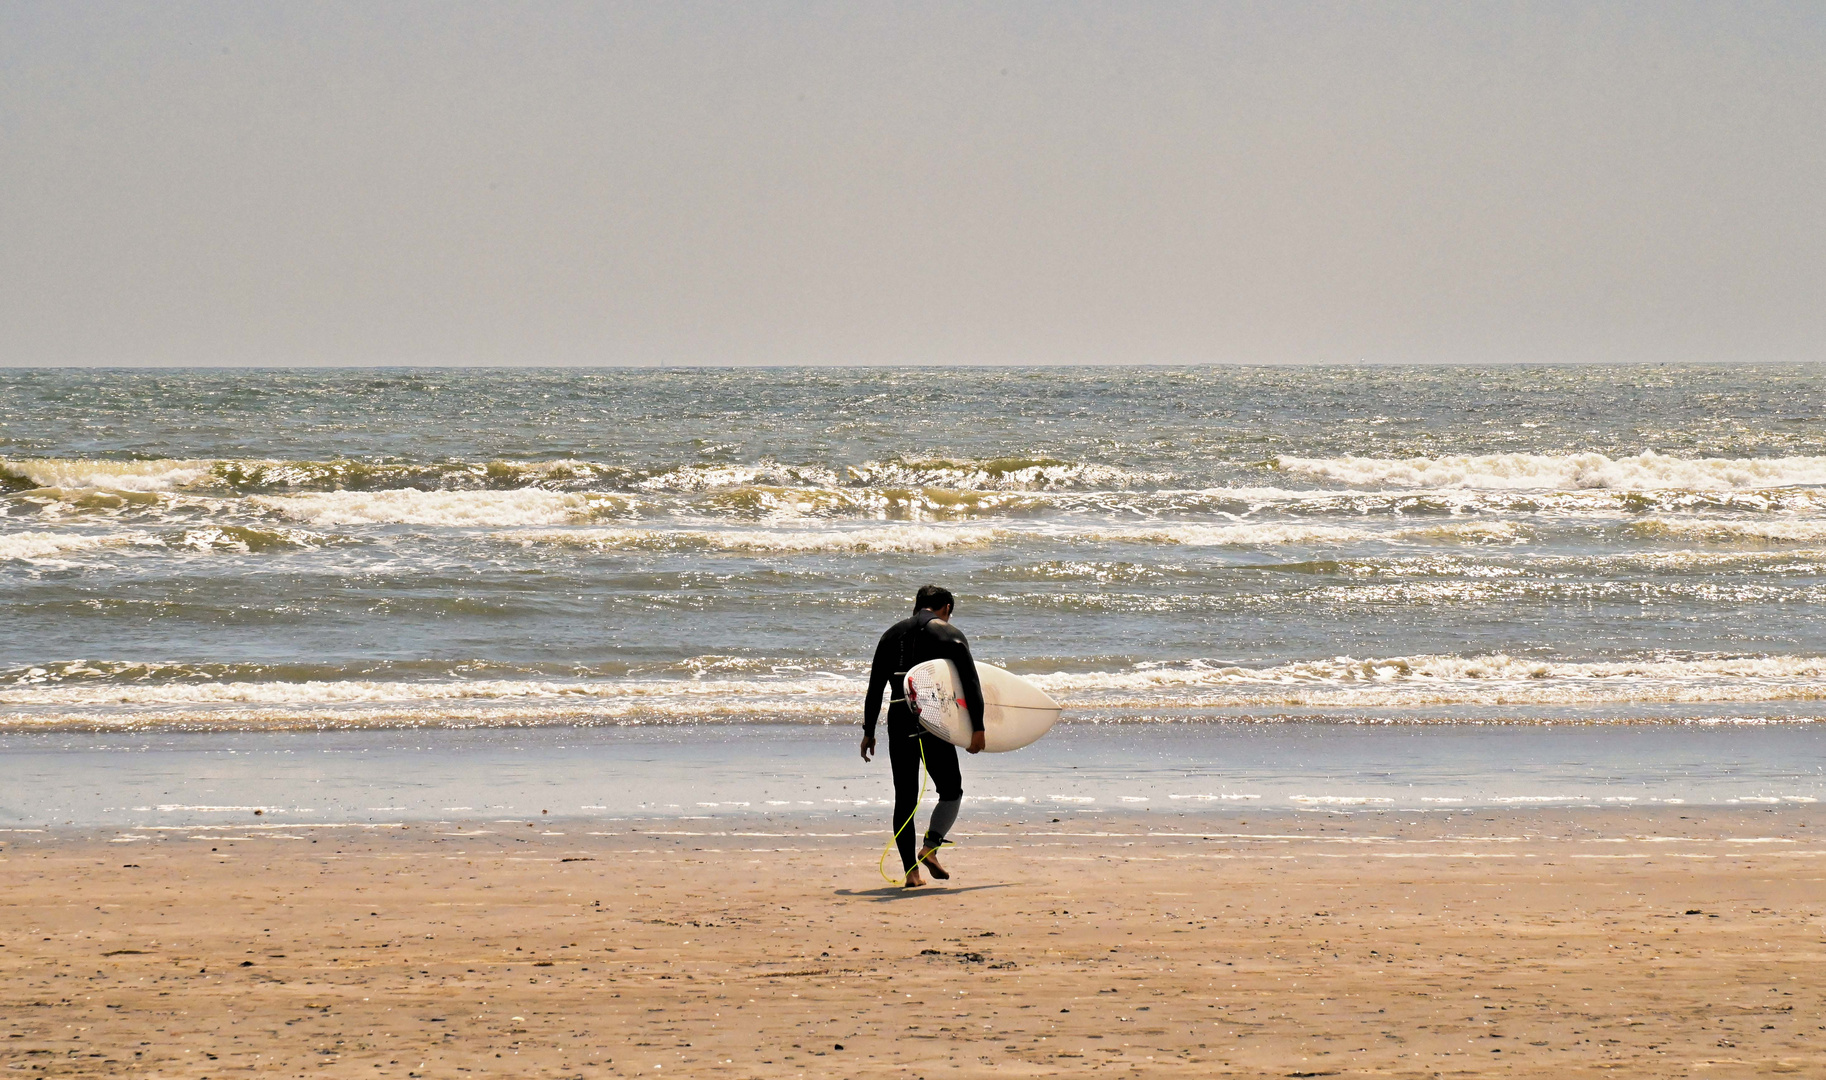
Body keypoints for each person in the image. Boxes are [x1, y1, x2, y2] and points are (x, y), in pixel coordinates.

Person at [861, 584, 986, 887]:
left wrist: (868, 731)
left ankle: (911, 873)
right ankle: (930, 848)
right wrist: (978, 728)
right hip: (932, 719)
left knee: (905, 797)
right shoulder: (948, 634)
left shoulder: (891, 635)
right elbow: (970, 684)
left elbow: (875, 686)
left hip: (898, 717)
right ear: (945, 607)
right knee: (951, 789)